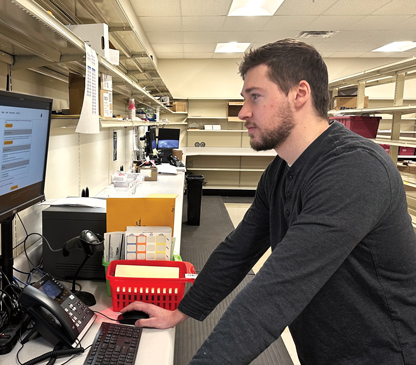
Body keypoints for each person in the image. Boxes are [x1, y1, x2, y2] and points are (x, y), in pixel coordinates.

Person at [121, 39, 416, 364]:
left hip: (384, 352)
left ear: (299, 94)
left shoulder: (355, 169)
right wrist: (180, 312)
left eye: (255, 97)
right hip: (324, 349)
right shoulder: (281, 169)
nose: (244, 112)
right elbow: (238, 250)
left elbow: (276, 290)